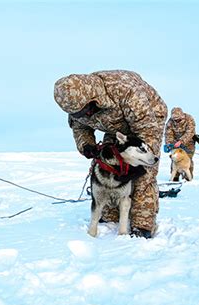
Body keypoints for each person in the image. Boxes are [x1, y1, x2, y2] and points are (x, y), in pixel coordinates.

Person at [54, 70, 167, 238]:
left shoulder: (126, 91)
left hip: (149, 119)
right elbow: (80, 127)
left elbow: (147, 130)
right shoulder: (76, 105)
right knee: (107, 166)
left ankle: (142, 223)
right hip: (115, 127)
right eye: (78, 114)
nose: (85, 115)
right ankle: (111, 215)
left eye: (86, 110)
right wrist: (87, 146)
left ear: (93, 99)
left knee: (143, 171)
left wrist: (137, 164)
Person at [164, 107, 197, 180]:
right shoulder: (170, 122)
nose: (176, 121)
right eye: (175, 119)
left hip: (189, 143)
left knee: (187, 159)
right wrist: (169, 144)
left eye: (178, 119)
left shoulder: (189, 119)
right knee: (175, 159)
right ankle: (175, 177)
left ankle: (188, 178)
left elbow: (190, 132)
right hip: (175, 144)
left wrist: (181, 141)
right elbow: (168, 134)